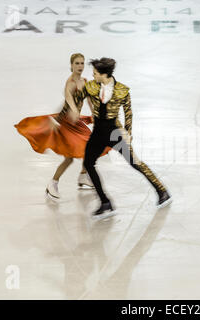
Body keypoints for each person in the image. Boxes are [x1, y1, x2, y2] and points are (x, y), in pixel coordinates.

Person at [83, 57, 172, 219]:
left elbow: (128, 112)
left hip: (114, 132)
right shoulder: (90, 86)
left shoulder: (122, 90)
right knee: (88, 163)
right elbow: (76, 98)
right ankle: (105, 202)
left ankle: (162, 191)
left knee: (134, 162)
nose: (93, 75)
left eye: (95, 73)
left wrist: (128, 133)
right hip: (97, 133)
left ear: (104, 74)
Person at [14, 53, 109, 199]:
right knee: (69, 158)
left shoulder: (84, 81)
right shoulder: (70, 83)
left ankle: (83, 175)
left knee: (89, 148)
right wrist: (72, 111)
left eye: (82, 63)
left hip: (76, 124)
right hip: (65, 124)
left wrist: (95, 115)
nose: (80, 66)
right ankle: (53, 183)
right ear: (71, 65)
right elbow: (68, 100)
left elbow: (90, 100)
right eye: (77, 63)